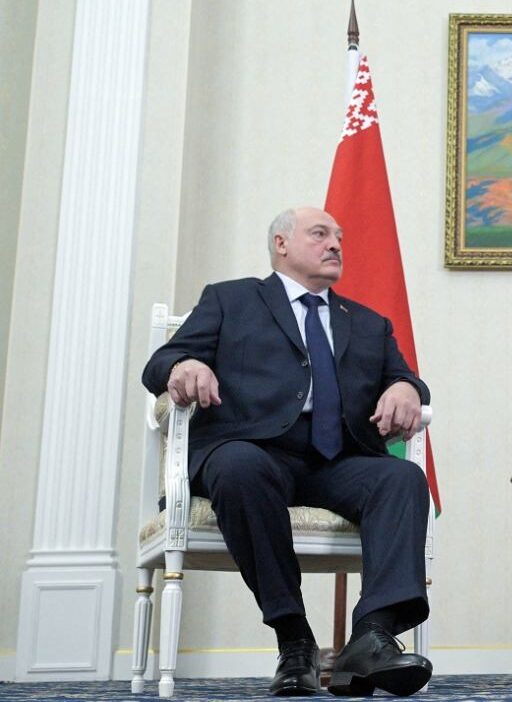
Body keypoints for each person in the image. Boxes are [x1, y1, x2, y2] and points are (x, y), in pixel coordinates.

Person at [142, 206, 433, 697]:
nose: (335, 244)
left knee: (402, 478)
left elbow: (403, 377)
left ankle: (372, 637)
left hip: (337, 462)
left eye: (339, 237)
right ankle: (294, 639)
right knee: (238, 466)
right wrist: (185, 364)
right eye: (320, 234)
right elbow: (161, 362)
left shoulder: (368, 323)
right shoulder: (231, 300)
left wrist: (406, 388)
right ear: (281, 244)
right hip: (253, 451)